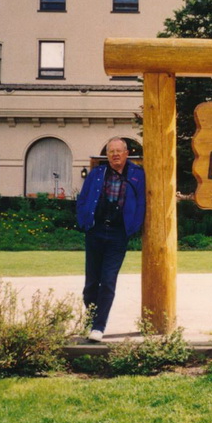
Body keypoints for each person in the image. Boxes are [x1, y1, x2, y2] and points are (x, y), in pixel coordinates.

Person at [76, 137, 146, 342]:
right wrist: (83, 220)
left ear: (126, 153)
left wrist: (132, 226)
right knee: (91, 283)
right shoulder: (97, 174)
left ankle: (98, 327)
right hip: (95, 231)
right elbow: (83, 198)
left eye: (119, 151)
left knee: (108, 281)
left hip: (118, 234)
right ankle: (91, 319)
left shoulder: (137, 175)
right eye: (111, 151)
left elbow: (141, 202)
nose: (115, 154)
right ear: (107, 155)